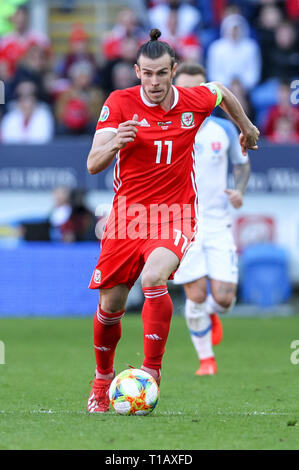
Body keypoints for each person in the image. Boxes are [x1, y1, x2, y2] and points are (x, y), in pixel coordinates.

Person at [86, 29, 259, 413]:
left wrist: (245, 128)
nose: (154, 82)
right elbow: (93, 163)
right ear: (136, 71)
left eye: (161, 73)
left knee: (153, 278)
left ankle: (151, 372)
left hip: (175, 213)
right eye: (146, 74)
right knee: (110, 306)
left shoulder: (193, 100)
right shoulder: (119, 103)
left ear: (174, 70)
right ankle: (101, 380)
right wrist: (116, 142)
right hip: (128, 217)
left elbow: (223, 92)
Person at [173, 63, 251, 376]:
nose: (193, 94)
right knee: (195, 294)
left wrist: (239, 190)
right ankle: (207, 361)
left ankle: (209, 315)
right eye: (186, 88)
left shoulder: (225, 129)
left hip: (218, 218)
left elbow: (242, 165)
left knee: (225, 298)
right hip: (183, 220)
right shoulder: (169, 126)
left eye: (199, 88)